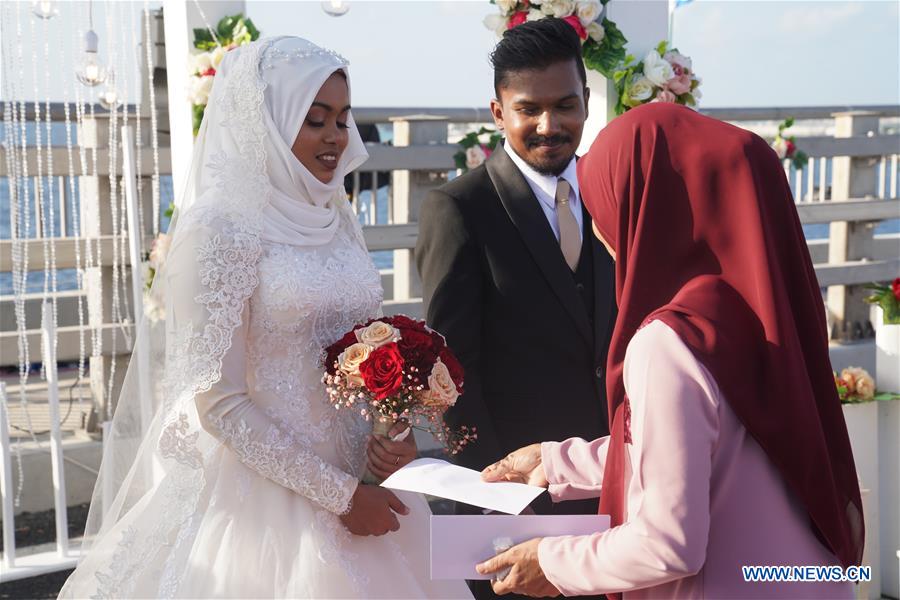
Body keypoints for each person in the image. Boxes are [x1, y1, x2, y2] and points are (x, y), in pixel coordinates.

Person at [59, 37, 470, 599]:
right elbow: (218, 403)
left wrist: (394, 432)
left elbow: (367, 349)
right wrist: (339, 496)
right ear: (269, 122)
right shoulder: (219, 230)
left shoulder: (335, 215)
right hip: (265, 497)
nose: (334, 136)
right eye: (314, 118)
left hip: (366, 478)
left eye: (343, 119)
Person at [476, 103, 863, 599]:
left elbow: (668, 544)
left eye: (605, 203)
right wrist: (558, 464)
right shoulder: (757, 312)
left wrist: (552, 562)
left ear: (648, 207)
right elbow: (713, 446)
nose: (599, 229)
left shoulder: (669, 342)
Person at [415, 21, 615, 599]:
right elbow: (448, 375)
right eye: (529, 109)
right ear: (497, 112)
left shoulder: (613, 196)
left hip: (616, 485)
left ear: (584, 103)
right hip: (512, 507)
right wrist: (498, 504)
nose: (550, 126)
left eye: (566, 106)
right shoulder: (458, 208)